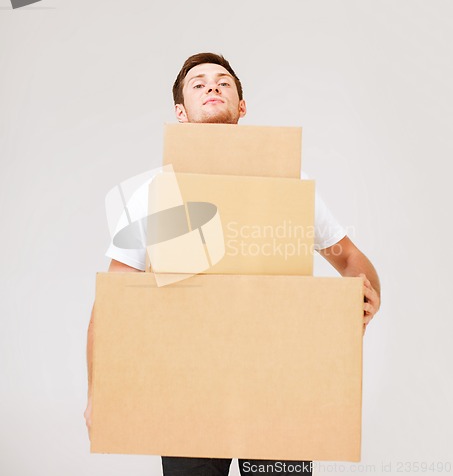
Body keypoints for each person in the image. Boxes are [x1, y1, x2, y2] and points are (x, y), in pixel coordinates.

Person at [84, 52, 381, 475]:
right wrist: (98, 391)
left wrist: (368, 294)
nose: (212, 87)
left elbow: (350, 257)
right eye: (198, 83)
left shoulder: (288, 188)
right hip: (188, 392)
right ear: (180, 112)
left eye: (223, 82)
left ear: (242, 106)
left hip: (279, 388)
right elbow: (114, 304)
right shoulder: (155, 192)